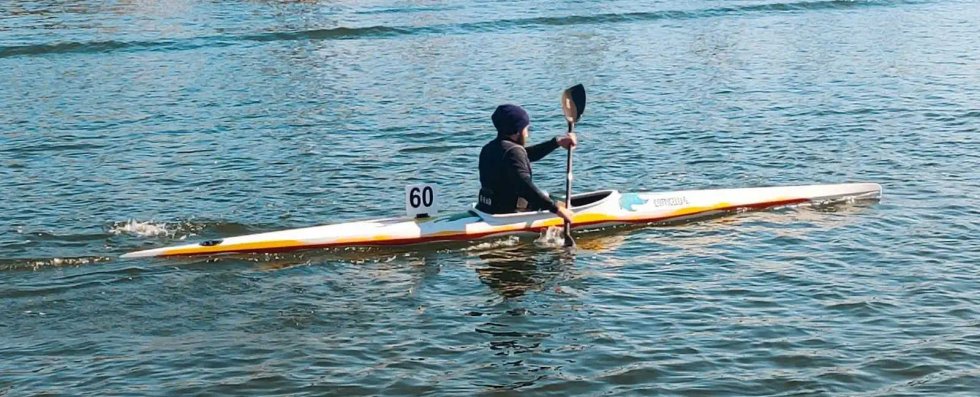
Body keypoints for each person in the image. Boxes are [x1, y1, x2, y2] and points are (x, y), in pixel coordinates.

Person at [477, 104, 577, 224]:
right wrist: (556, 209)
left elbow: (525, 156)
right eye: (526, 129)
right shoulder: (513, 152)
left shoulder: (489, 148)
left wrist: (556, 143)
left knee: (550, 197)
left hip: (486, 208)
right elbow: (525, 187)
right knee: (559, 203)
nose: (527, 134)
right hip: (509, 215)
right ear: (517, 131)